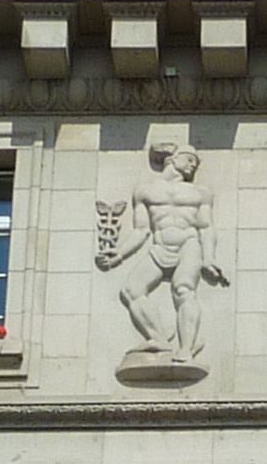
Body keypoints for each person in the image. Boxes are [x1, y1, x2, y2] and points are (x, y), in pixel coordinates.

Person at [97, 140, 228, 363]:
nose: (192, 167)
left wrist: (209, 258)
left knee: (184, 290)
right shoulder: (145, 191)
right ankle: (158, 338)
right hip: (159, 246)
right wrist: (118, 256)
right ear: (173, 159)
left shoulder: (200, 192)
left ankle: (186, 348)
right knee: (131, 291)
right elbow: (141, 231)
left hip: (188, 244)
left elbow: (206, 227)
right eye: (189, 160)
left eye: (195, 164)